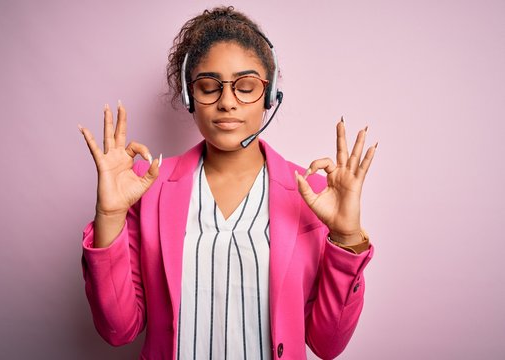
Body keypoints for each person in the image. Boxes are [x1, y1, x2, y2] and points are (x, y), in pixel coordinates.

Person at [78, 6, 377, 359]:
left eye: (246, 86)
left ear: (268, 97)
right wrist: (110, 216)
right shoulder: (147, 189)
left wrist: (346, 237)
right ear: (190, 97)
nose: (227, 102)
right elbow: (118, 329)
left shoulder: (311, 195)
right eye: (209, 87)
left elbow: (327, 345)